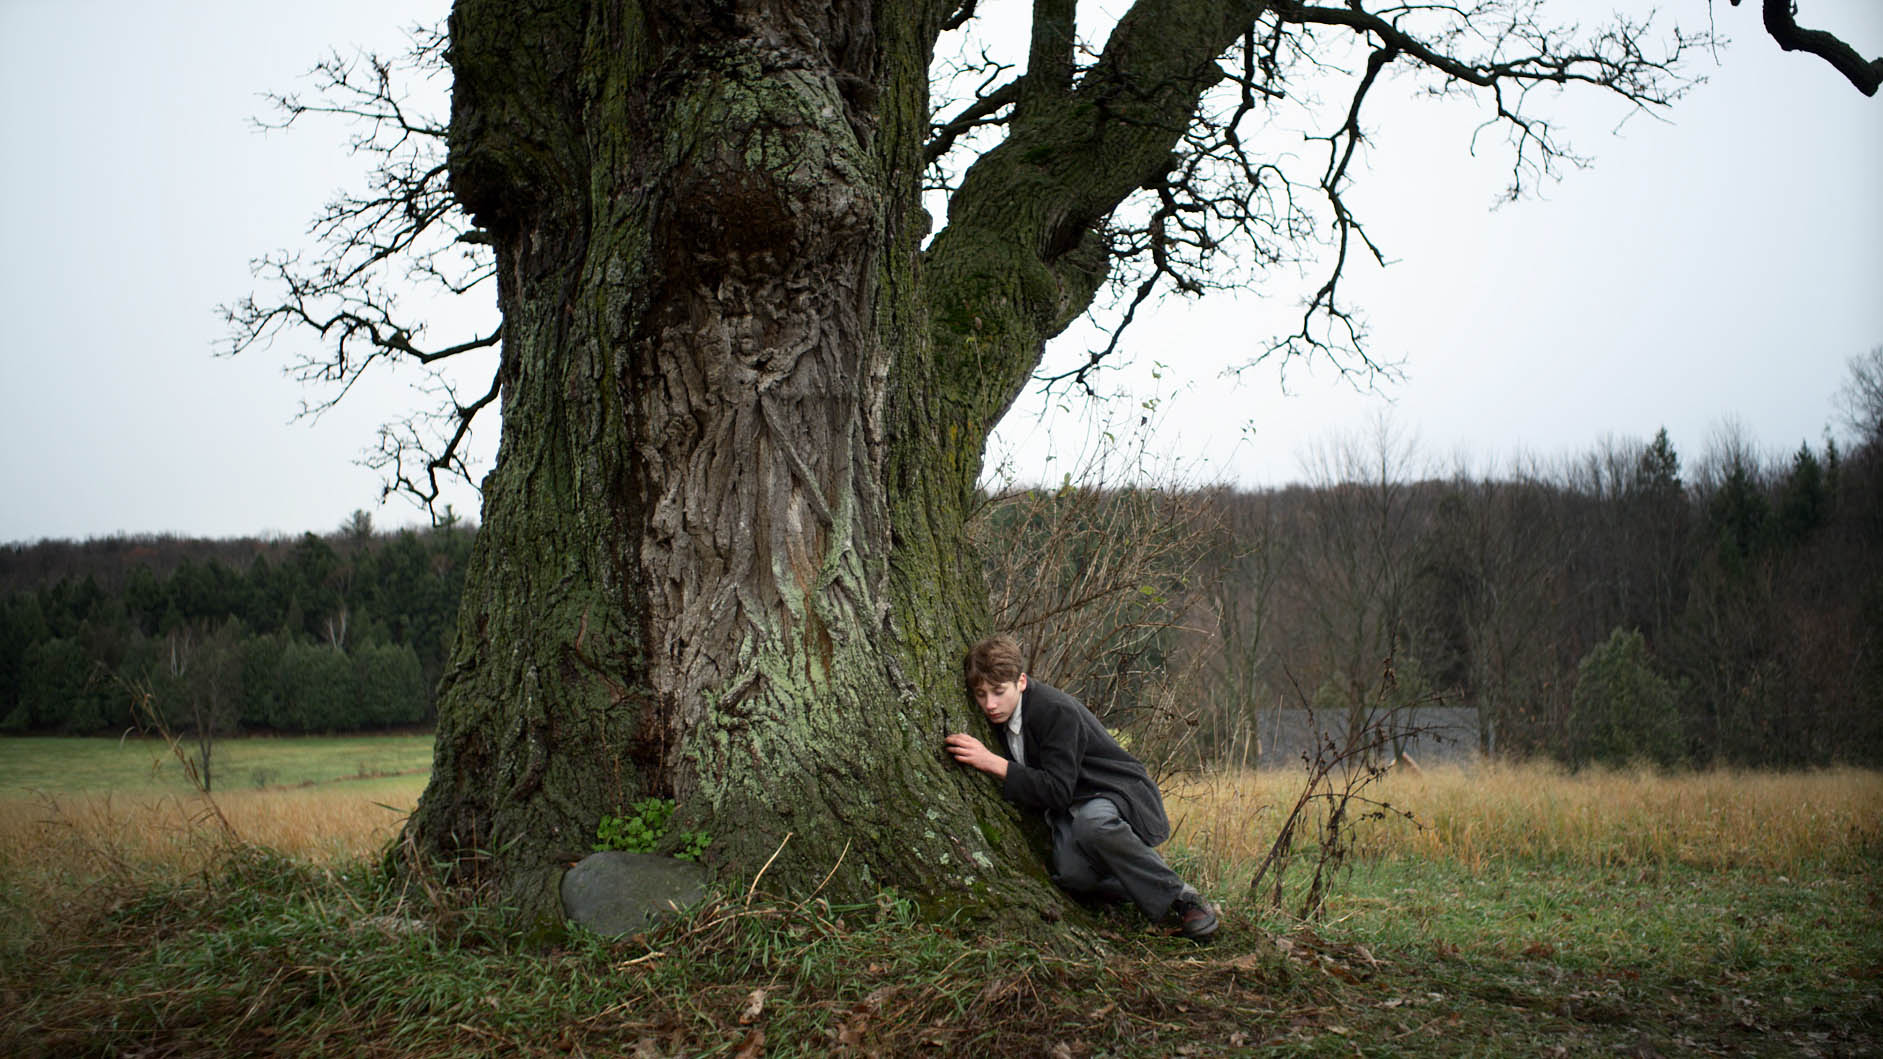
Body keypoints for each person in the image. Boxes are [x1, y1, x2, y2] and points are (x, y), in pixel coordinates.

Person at [944, 634, 1219, 941]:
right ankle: (1141, 882)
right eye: (980, 695)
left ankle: (1182, 896)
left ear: (1021, 681)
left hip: (1109, 788)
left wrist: (992, 762)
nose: (990, 705)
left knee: (1094, 824)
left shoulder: (1054, 709)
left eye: (998, 692)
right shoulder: (999, 715)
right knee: (1072, 876)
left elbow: (1057, 790)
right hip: (1067, 807)